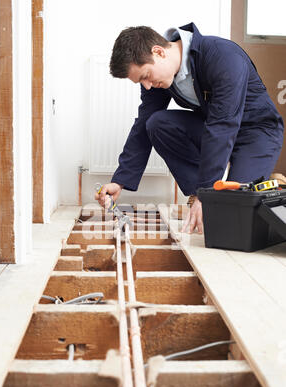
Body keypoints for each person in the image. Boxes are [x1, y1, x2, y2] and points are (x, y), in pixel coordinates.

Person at [95, 22, 284, 233]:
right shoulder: (160, 78)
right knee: (157, 123)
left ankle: (268, 185)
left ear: (158, 52)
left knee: (233, 220)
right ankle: (201, 195)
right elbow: (143, 125)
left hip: (256, 133)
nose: (146, 86)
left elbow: (223, 126)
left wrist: (207, 191)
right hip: (214, 128)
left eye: (145, 76)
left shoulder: (222, 57)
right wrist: (119, 181)